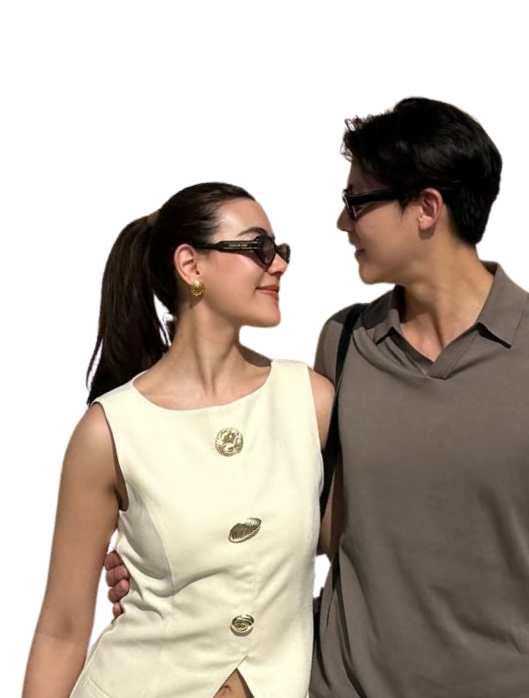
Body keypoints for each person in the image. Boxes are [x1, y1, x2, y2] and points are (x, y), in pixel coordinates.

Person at [103, 98, 529, 697]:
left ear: (426, 209)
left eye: (356, 201)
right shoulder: (342, 343)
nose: (340, 222)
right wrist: (142, 547)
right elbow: (291, 517)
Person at [21, 181, 338, 698]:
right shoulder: (108, 431)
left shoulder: (311, 399)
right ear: (191, 266)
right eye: (258, 247)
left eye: (278, 248)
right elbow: (61, 630)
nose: (280, 264)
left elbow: (361, 548)